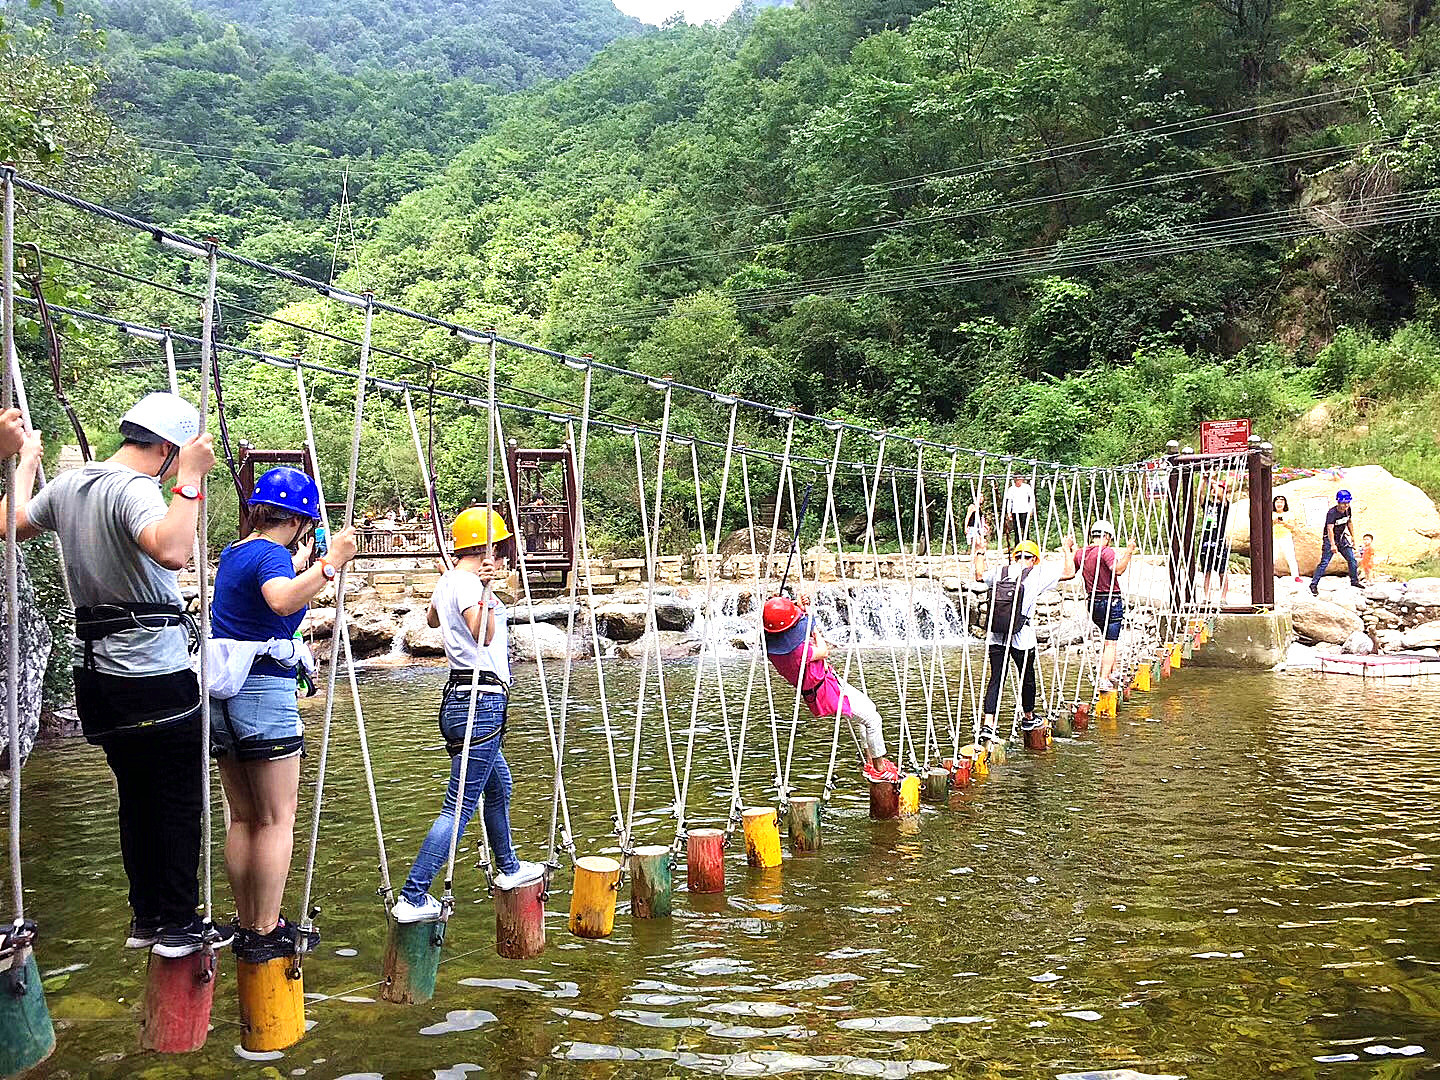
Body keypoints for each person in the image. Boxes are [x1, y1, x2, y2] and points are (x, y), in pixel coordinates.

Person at [1, 392, 230, 958]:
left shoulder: (70, 485)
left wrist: (26, 466)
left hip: (97, 676)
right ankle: (178, 924)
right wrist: (191, 481)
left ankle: (147, 916)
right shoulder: (135, 489)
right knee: (177, 799)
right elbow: (171, 550)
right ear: (169, 448)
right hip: (152, 671)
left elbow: (11, 524)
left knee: (137, 795)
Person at [207, 467, 357, 963]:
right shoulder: (271, 554)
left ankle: (247, 921)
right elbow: (279, 599)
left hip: (224, 696)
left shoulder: (235, 552)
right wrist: (330, 564)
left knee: (243, 818)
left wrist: (303, 566)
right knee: (276, 819)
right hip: (262, 692)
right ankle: (267, 929)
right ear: (296, 521)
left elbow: (260, 598)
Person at [391, 507, 544, 923]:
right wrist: (485, 590)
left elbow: (432, 619)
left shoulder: (450, 581)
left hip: (461, 699)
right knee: (458, 807)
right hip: (480, 702)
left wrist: (468, 584)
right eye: (500, 547)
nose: (504, 554)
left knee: (499, 786)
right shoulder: (468, 584)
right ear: (487, 548)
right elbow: (484, 634)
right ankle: (413, 894)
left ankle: (509, 867)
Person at [762, 596, 898, 781]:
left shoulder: (775, 650)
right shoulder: (798, 653)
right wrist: (814, 630)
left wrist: (800, 608)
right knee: (873, 719)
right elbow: (823, 651)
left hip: (826, 682)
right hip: (826, 691)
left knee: (867, 712)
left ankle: (870, 762)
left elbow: (790, 625)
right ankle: (880, 769)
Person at [972, 536, 1077, 742]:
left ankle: (988, 724)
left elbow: (978, 575)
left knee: (996, 678)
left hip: (996, 635)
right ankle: (1028, 717)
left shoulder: (1000, 571)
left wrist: (980, 551)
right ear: (1034, 559)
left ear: (1015, 557)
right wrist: (1066, 549)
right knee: (1026, 677)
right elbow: (1069, 573)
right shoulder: (1037, 573)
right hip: (1022, 635)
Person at [1073, 520, 1137, 693]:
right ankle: (1103, 679)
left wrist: (1067, 550)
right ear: (1108, 537)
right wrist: (1129, 552)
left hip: (1093, 603)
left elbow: (1071, 572)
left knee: (1107, 638)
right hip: (1111, 601)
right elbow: (1118, 570)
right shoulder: (1106, 551)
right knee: (1111, 643)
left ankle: (1113, 672)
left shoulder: (1081, 553)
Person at [1309, 489, 1361, 595]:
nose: (1346, 505)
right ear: (1338, 502)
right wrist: (1332, 545)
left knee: (1352, 559)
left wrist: (1352, 537)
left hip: (1341, 537)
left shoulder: (1348, 510)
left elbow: (1349, 522)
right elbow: (1330, 529)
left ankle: (1354, 581)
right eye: (1343, 503)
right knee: (1325, 562)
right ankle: (1313, 584)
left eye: (1347, 502)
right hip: (1330, 538)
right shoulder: (1332, 513)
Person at [1198, 477, 1233, 601]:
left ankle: (1223, 598)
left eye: (1219, 488)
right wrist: (1204, 481)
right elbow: (1200, 495)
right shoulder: (1208, 505)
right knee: (1206, 572)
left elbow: (1220, 495)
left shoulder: (1224, 505)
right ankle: (1207, 597)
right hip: (1206, 541)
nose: (1214, 490)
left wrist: (1212, 481)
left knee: (1222, 571)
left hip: (1219, 541)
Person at [1272, 495, 1302, 583]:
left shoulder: (1289, 514)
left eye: (1281, 502)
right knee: (1272, 557)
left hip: (1285, 537)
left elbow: (1293, 527)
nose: (1279, 504)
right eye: (1277, 502)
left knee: (1290, 556)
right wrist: (1274, 522)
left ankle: (1296, 576)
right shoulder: (1271, 514)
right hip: (1274, 537)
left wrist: (1284, 523)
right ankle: (1269, 575)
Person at [1001, 476, 1035, 549]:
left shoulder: (1027, 487)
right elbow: (1009, 501)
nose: (1019, 481)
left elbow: (1031, 499)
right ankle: (1017, 546)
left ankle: (1027, 546)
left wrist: (1031, 510)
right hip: (1015, 511)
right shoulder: (1011, 489)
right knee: (1016, 530)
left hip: (1025, 510)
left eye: (1020, 479)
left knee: (1025, 529)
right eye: (1017, 479)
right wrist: (1009, 512)